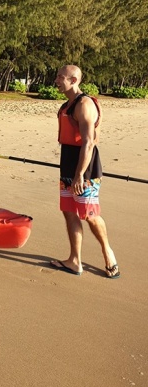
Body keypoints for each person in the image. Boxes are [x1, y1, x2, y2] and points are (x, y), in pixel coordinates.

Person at [51, 64, 119, 278]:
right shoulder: (67, 105)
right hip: (68, 162)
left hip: (85, 167)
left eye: (61, 77)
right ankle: (74, 260)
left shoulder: (84, 104)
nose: (57, 80)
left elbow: (88, 142)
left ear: (74, 80)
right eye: (57, 76)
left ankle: (108, 253)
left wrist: (80, 174)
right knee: (69, 212)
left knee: (89, 214)